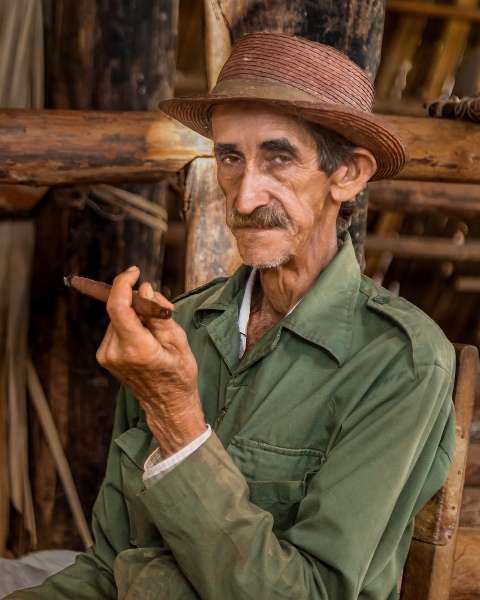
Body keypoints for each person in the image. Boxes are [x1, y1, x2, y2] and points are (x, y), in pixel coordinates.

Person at [7, 33, 455, 600]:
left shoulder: (399, 360)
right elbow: (107, 568)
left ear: (348, 175)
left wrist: (179, 420)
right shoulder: (183, 329)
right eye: (230, 157)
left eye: (279, 157)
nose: (243, 198)